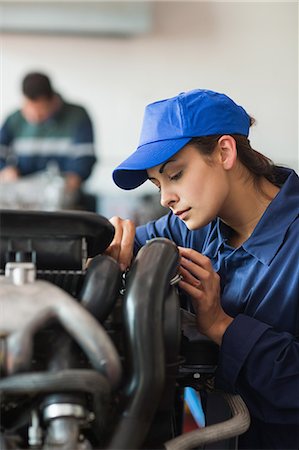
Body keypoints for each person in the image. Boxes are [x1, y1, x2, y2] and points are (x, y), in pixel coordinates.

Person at [108, 89, 299, 449]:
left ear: (225, 152)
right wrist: (112, 238)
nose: (165, 198)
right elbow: (129, 244)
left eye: (175, 175)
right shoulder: (193, 225)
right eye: (157, 184)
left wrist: (221, 326)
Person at [0, 72, 96, 206]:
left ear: (53, 101)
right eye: (28, 108)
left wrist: (75, 178)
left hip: (61, 191)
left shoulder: (77, 116)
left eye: (40, 110)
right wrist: (5, 170)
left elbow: (85, 158)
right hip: (22, 191)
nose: (34, 115)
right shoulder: (14, 119)